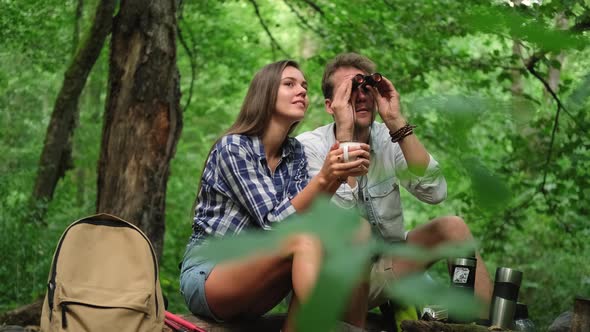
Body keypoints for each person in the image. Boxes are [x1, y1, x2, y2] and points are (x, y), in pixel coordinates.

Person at [179, 60, 371, 332]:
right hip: (211, 275)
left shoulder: (295, 153)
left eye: (304, 86)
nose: (302, 90)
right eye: (290, 84)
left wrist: (338, 172)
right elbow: (273, 223)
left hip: (262, 278)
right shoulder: (234, 147)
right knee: (304, 240)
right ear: (265, 94)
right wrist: (327, 176)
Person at [296, 53, 493, 317]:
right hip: (334, 282)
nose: (361, 95)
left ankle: (483, 322)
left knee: (453, 228)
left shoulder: (388, 139)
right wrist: (344, 133)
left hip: (386, 270)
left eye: (366, 87)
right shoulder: (309, 146)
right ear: (331, 106)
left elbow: (436, 192)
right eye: (349, 90)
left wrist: (395, 121)